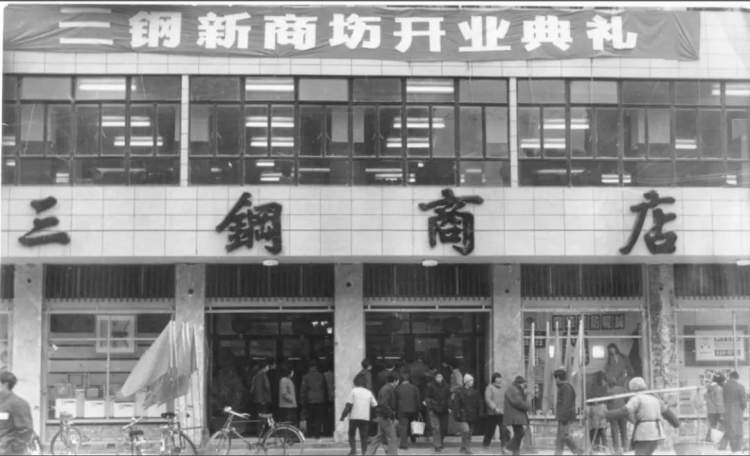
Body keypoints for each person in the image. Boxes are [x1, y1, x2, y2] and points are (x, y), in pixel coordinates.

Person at [605, 377, 679, 456]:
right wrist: (676, 423)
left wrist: (605, 414)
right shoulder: (655, 398)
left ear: (633, 389)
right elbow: (668, 413)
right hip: (656, 434)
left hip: (645, 434)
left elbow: (624, 411)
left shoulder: (637, 398)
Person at [341, 374, 377, 456]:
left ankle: (353, 451)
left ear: (355, 382)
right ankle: (364, 452)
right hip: (365, 417)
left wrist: (343, 416)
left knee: (351, 434)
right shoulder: (368, 392)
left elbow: (348, 405)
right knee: (364, 436)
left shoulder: (353, 391)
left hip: (354, 417)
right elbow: (375, 405)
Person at [366, 372, 399, 456]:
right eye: (398, 380)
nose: (398, 382)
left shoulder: (385, 388)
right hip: (385, 416)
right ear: (395, 380)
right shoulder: (387, 389)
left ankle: (369, 453)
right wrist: (391, 415)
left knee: (378, 437)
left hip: (382, 415)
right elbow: (384, 404)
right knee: (392, 437)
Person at [0, 371, 33, 455]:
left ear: (5, 384)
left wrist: (13, 450)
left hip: (7, 451)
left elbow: (26, 429)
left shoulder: (18, 404)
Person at [553, 369, 582, 456]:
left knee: (565, 436)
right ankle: (558, 453)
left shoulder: (566, 388)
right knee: (561, 438)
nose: (555, 381)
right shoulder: (564, 387)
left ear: (558, 378)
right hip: (564, 416)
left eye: (555, 378)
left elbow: (567, 404)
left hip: (565, 417)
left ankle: (579, 452)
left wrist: (564, 418)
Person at [452, 373, 481, 455]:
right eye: (471, 380)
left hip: (472, 414)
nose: (472, 382)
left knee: (470, 433)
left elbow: (479, 403)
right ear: (467, 382)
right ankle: (468, 448)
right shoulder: (459, 392)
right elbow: (456, 404)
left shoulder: (475, 392)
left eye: (473, 380)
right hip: (463, 415)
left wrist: (479, 412)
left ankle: (463, 447)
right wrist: (457, 413)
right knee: (466, 431)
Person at [719, 371, 747, 452]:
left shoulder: (724, 386)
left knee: (728, 428)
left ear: (730, 377)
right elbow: (743, 402)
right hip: (737, 410)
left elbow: (722, 398)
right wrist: (743, 408)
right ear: (737, 378)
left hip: (726, 409)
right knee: (738, 429)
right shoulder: (740, 386)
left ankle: (723, 447)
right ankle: (736, 449)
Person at [424, 371, 451, 453]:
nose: (439, 378)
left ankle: (440, 441)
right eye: (437, 376)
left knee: (444, 429)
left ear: (443, 377)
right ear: (435, 378)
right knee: (436, 428)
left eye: (440, 376)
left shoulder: (447, 386)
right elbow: (427, 397)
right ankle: (437, 445)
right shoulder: (430, 386)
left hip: (444, 409)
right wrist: (431, 405)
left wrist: (450, 407)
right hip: (434, 409)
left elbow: (449, 397)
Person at [483, 372, 510, 449]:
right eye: (498, 378)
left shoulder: (503, 388)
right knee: (490, 430)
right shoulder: (489, 388)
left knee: (504, 430)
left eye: (500, 377)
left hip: (502, 412)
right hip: (492, 413)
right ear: (494, 379)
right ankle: (486, 444)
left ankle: (504, 445)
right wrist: (494, 408)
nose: (499, 379)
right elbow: (488, 399)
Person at [503, 376, 529, 456]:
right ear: (520, 383)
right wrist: (527, 406)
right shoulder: (513, 390)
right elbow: (518, 402)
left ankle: (516, 452)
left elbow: (520, 400)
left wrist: (524, 394)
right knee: (520, 433)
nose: (524, 386)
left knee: (518, 433)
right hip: (515, 416)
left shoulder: (515, 389)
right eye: (524, 384)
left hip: (516, 415)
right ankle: (508, 447)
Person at [301, 361, 327, 439]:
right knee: (318, 418)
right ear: (316, 367)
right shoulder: (321, 376)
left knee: (310, 418)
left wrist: (302, 400)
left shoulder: (306, 377)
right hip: (320, 400)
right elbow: (324, 388)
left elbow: (303, 390)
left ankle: (310, 434)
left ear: (309, 367)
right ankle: (317, 434)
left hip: (310, 400)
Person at [395, 372, 420, 450]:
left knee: (403, 427)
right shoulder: (414, 388)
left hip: (402, 410)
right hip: (413, 409)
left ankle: (404, 444)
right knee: (413, 424)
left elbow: (395, 400)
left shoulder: (398, 388)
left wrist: (395, 410)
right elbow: (418, 399)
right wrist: (418, 409)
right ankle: (413, 438)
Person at [605, 376, 629, 453]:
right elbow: (627, 399)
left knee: (614, 431)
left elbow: (607, 403)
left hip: (613, 413)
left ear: (608, 383)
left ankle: (616, 449)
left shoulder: (608, 392)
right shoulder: (623, 389)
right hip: (623, 411)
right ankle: (625, 447)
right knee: (624, 430)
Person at [704, 373, 725, 443]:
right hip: (718, 410)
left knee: (712, 425)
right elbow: (719, 401)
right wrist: (722, 411)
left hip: (710, 410)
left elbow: (706, 397)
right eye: (723, 381)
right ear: (720, 381)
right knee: (723, 423)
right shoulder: (718, 388)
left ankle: (708, 438)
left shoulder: (709, 387)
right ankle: (716, 438)